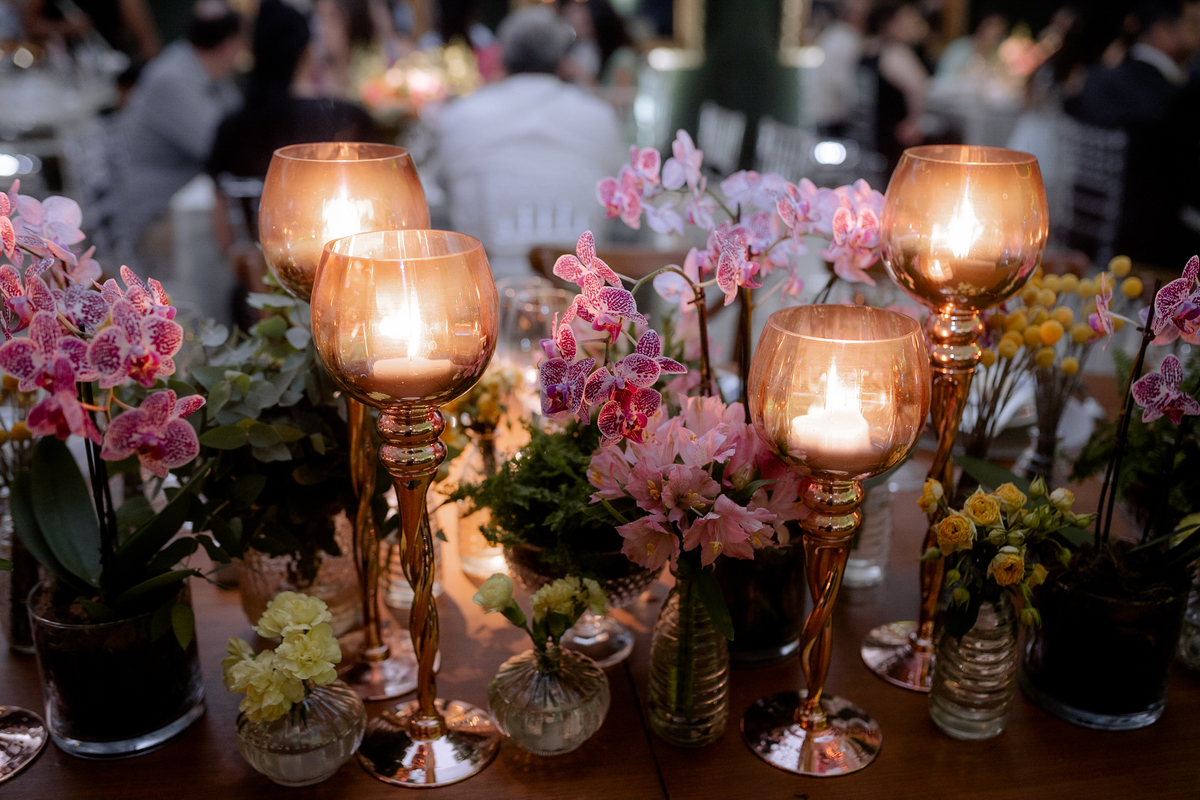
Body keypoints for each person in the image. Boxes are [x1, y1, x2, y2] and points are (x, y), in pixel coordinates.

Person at [206, 0, 380, 327]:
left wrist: (256, 265)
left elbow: (224, 234)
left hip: (253, 305)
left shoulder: (230, 129)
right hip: (345, 300)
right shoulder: (345, 119)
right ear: (307, 51)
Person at [434, 5, 622, 276]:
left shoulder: (461, 116)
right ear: (563, 62)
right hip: (580, 291)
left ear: (502, 58)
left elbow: (441, 183)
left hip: (483, 287)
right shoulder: (599, 118)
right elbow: (619, 189)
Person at [1066, 0, 1200, 268]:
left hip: (1084, 236)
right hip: (1153, 248)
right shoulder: (1175, 100)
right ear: (1163, 31)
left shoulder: (1096, 80)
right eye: (1193, 24)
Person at [115, 1, 242, 269]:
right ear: (229, 44)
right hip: (156, 216)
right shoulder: (171, 79)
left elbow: (238, 125)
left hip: (191, 200)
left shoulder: (208, 68)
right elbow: (223, 150)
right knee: (241, 234)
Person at [862, 2, 931, 174]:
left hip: (870, 134)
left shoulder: (869, 48)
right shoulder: (895, 53)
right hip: (895, 135)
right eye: (905, 19)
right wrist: (915, 122)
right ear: (888, 24)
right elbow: (918, 88)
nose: (912, 24)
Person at [807, 0, 870, 137]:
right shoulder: (846, 39)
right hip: (830, 116)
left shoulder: (833, 34)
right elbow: (842, 83)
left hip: (819, 113)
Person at [935, 12, 1008, 79]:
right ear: (982, 28)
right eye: (994, 35)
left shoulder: (993, 55)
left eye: (998, 36)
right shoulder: (960, 49)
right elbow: (944, 77)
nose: (995, 40)